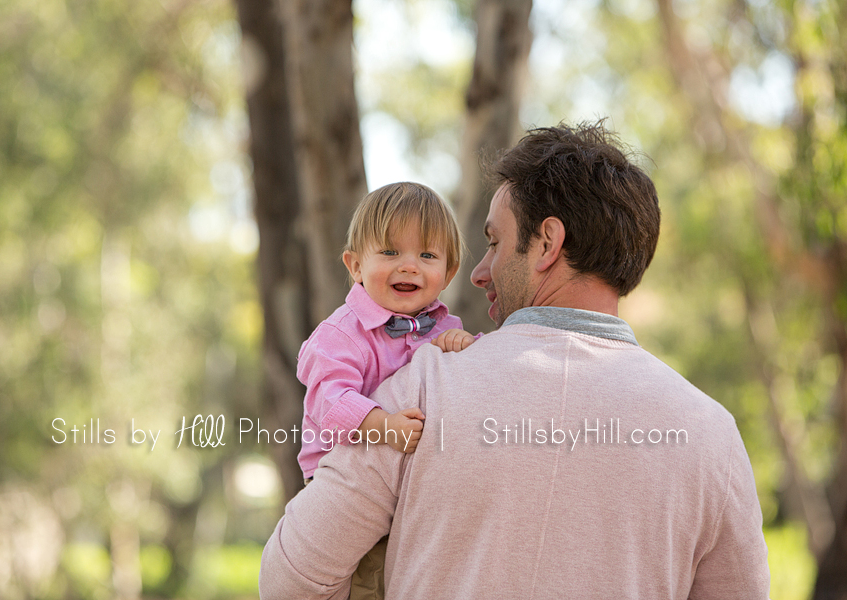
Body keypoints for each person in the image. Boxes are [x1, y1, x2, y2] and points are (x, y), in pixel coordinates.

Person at [260, 122, 771, 599]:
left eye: (494, 243)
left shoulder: (421, 390)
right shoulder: (711, 433)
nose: (479, 272)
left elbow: (291, 579)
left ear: (547, 243)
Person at [295, 181, 475, 599]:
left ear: (448, 273)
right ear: (355, 266)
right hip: (344, 479)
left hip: (413, 486)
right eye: (391, 252)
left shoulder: (445, 329)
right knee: (368, 581)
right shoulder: (339, 335)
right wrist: (384, 425)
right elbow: (330, 403)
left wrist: (464, 348)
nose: (409, 266)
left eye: (427, 255)